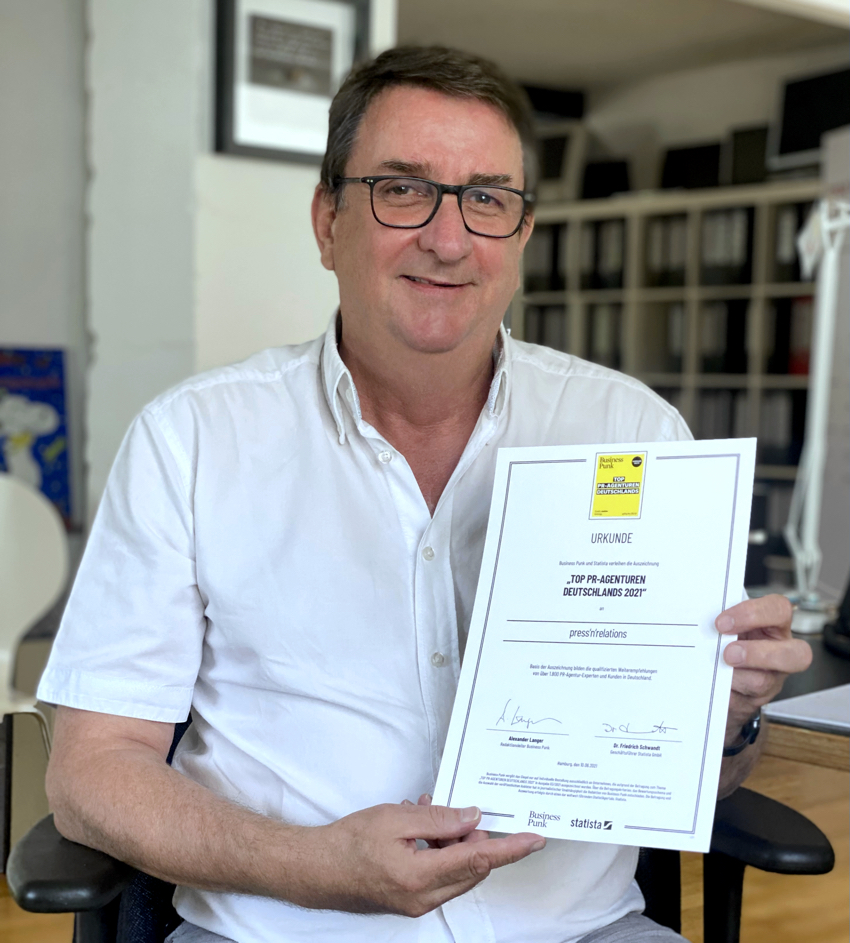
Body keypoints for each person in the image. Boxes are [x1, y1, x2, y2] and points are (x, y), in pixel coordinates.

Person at [39, 46, 811, 943]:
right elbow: (91, 774)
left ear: (521, 234)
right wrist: (314, 865)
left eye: (487, 198)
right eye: (403, 190)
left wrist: (728, 719)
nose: (449, 240)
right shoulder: (193, 442)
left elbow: (704, 778)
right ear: (327, 221)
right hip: (281, 929)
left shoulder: (632, 430)